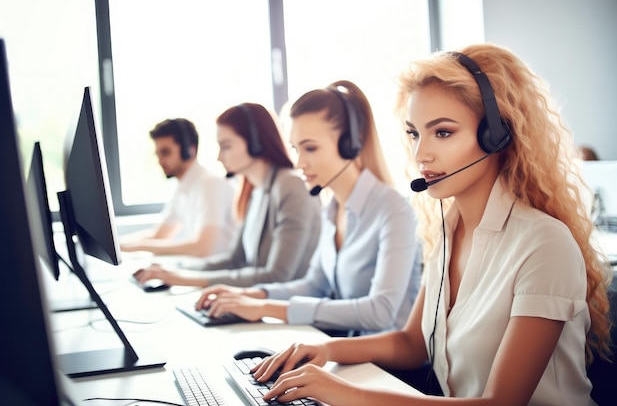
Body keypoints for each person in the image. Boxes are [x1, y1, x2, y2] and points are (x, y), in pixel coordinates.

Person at [247, 45, 612, 406]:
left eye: (442, 132)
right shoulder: (448, 232)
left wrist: (346, 394)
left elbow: (500, 402)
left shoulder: (542, 244)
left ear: (496, 136)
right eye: (414, 133)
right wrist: (323, 349)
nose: (421, 154)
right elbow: (411, 344)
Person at [194, 80, 422, 336]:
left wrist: (265, 307)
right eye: (295, 149)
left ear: (350, 143)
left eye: (310, 148)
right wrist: (247, 295)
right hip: (349, 355)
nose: (300, 163)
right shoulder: (332, 208)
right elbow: (314, 285)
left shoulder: (394, 210)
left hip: (390, 371)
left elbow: (380, 311)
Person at [133, 103, 321, 288]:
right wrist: (176, 269)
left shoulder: (290, 185)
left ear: (255, 142)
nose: (219, 157)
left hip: (286, 308)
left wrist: (186, 279)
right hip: (253, 300)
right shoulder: (254, 190)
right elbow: (235, 260)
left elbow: (277, 275)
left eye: (226, 146)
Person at [120, 118, 237, 257]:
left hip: (219, 273)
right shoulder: (183, 188)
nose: (160, 161)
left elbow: (202, 248)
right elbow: (160, 236)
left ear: (190, 150)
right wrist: (119, 244)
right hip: (200, 269)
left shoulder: (210, 185)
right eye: (158, 154)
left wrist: (138, 247)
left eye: (165, 152)